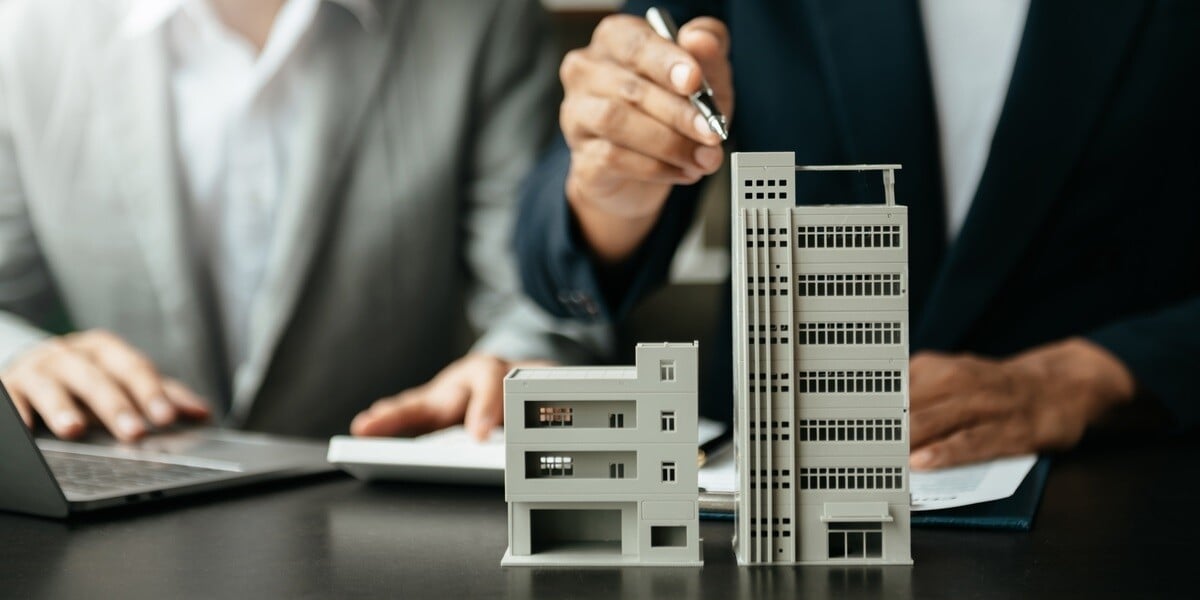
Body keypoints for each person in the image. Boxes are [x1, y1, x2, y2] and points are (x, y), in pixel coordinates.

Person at [516, 0, 1200, 469]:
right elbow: (555, 254)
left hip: (1116, 502)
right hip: (763, 498)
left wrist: (1090, 380)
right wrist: (614, 189)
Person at [0, 0, 608, 441]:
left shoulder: (481, 18)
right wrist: (16, 358)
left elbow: (540, 298)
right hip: (118, 530)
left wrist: (511, 365)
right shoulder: (26, 28)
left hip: (379, 533)